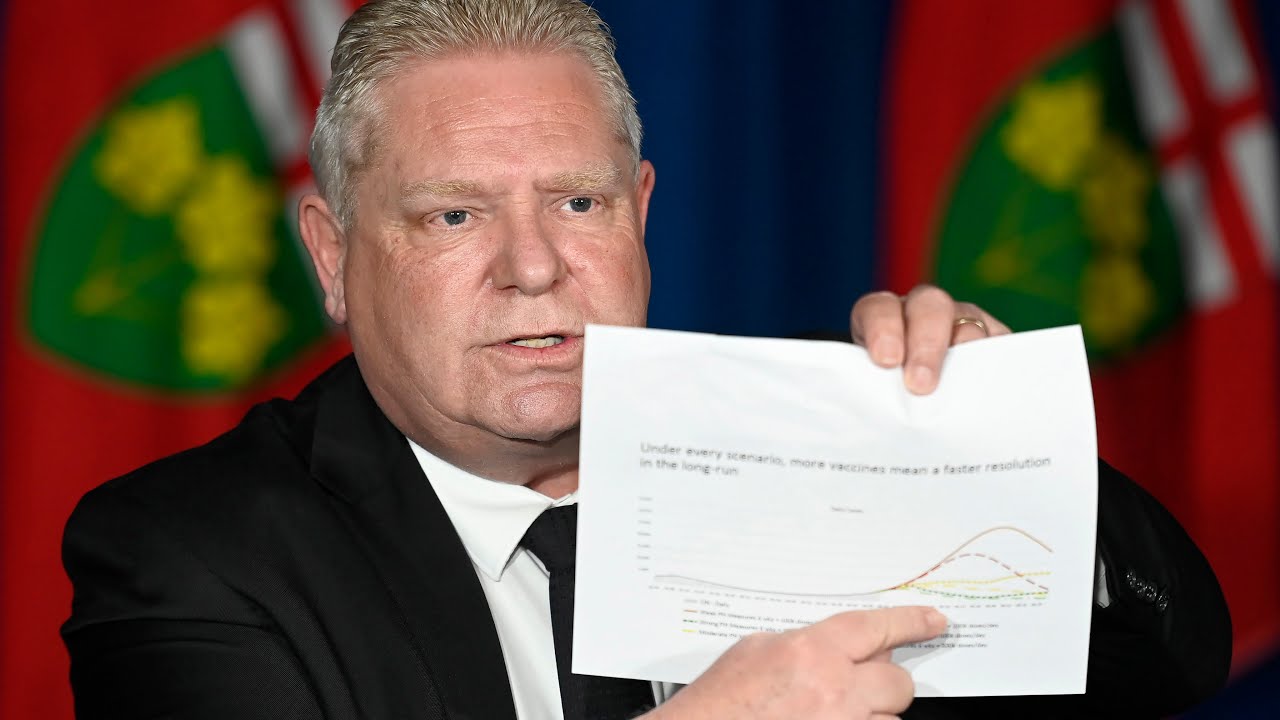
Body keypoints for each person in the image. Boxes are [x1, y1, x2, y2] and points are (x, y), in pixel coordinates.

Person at [61, 1, 1230, 718]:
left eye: (579, 202)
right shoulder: (188, 551)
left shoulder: (823, 436)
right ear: (331, 255)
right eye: (454, 216)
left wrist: (992, 458)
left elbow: (1172, 664)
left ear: (642, 213)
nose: (533, 267)